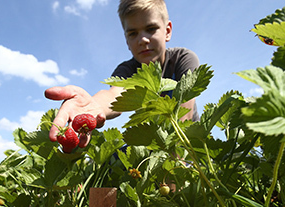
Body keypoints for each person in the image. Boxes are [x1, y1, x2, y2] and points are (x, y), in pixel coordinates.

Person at [46, 0, 200, 148]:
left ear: (167, 31)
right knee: (112, 162)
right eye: (133, 33)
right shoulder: (128, 70)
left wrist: (174, 164)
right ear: (127, 41)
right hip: (151, 144)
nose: (143, 39)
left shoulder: (183, 59)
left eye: (151, 29)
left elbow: (184, 115)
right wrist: (93, 106)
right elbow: (114, 95)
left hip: (187, 144)